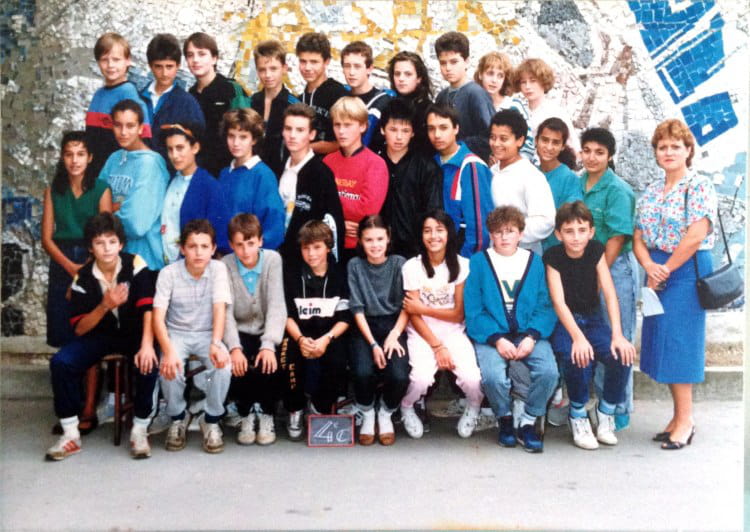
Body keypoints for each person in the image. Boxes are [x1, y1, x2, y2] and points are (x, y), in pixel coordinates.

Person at [45, 213, 159, 460]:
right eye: (99, 242)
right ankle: (70, 434)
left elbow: (148, 308)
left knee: (149, 361)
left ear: (121, 244)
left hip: (134, 333)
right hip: (100, 336)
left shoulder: (135, 264)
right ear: (90, 247)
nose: (107, 248)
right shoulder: (83, 277)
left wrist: (147, 344)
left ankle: (140, 429)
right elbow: (79, 328)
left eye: (112, 241)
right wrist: (105, 305)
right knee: (61, 362)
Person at [632, 119, 717, 450]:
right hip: (656, 269)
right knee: (661, 341)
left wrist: (665, 269)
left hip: (684, 270)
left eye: (675, 147)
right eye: (662, 147)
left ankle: (686, 420)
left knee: (680, 342)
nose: (668, 152)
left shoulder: (698, 186)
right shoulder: (652, 189)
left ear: (688, 150)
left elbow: (696, 235)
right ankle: (676, 417)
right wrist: (649, 266)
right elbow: (638, 236)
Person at [464, 206, 559, 453]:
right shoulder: (480, 262)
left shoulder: (533, 262)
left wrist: (532, 336)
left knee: (549, 372)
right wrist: (496, 339)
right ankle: (504, 417)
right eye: (498, 232)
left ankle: (528, 419)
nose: (504, 237)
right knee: (493, 376)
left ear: (521, 234)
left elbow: (545, 305)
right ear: (490, 235)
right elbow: (474, 309)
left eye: (510, 231)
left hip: (528, 333)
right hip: (492, 335)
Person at [544, 201, 636, 450]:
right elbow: (558, 302)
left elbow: (609, 293)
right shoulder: (553, 257)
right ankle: (577, 414)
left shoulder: (596, 250)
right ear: (558, 234)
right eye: (569, 231)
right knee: (578, 356)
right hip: (566, 322)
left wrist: (618, 334)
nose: (576, 237)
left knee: (622, 354)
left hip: (592, 319)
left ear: (591, 232)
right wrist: (578, 337)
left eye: (582, 230)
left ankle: (606, 412)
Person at [399, 210, 483, 439]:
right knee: (421, 379)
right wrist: (437, 346)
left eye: (439, 230)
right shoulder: (412, 267)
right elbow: (413, 315)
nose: (433, 236)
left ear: (449, 234)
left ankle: (474, 406)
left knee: (472, 378)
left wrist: (423, 308)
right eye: (427, 231)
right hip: (422, 334)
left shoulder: (463, 265)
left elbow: (457, 314)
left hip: (453, 333)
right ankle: (407, 406)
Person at [154, 219, 233, 454]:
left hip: (208, 333)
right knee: (169, 367)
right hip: (177, 333)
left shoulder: (218, 269)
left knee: (223, 365)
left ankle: (211, 419)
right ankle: (178, 417)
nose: (198, 252)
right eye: (192, 246)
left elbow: (220, 309)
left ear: (213, 248)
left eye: (204, 246)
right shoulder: (168, 273)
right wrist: (168, 351)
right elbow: (158, 317)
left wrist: (216, 343)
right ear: (182, 249)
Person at [579, 127, 637, 430]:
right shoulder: (578, 183)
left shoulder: (618, 190)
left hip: (613, 269)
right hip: (584, 269)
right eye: (587, 151)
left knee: (618, 335)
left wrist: (597, 275)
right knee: (594, 333)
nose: (592, 157)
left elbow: (616, 238)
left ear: (610, 156)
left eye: (599, 152)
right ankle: (595, 402)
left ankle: (617, 407)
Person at [222, 214, 287, 446]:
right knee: (240, 361)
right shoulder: (225, 265)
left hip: (266, 328)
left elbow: (277, 305)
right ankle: (246, 411)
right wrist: (234, 347)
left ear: (260, 241)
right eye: (239, 245)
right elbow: (226, 311)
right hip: (239, 329)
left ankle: (267, 412)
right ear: (231, 245)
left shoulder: (272, 260)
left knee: (269, 359)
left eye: (250, 243)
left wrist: (268, 344)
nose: (246, 251)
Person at [42, 131, 112, 348]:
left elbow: (106, 236)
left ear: (90, 157)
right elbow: (46, 239)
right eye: (69, 154)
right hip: (61, 259)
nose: (74, 160)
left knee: (88, 324)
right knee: (61, 324)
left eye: (80, 154)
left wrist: (85, 269)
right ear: (62, 157)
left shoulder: (101, 189)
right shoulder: (53, 191)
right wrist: (71, 268)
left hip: (93, 258)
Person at [283, 220, 351, 440]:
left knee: (338, 360)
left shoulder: (340, 274)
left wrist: (326, 339)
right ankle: (295, 408)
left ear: (328, 247)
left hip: (328, 335)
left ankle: (320, 406)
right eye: (306, 248)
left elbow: (345, 318)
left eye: (317, 247)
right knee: (287, 357)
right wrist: (301, 339)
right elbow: (287, 316)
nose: (311, 254)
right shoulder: (292, 274)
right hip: (298, 334)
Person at [347, 215, 410, 446]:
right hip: (365, 325)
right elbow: (357, 308)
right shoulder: (355, 265)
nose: (375, 245)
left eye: (380, 239)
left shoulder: (399, 264)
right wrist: (374, 344)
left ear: (388, 238)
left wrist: (394, 335)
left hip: (394, 325)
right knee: (362, 372)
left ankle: (385, 412)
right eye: (369, 240)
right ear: (360, 241)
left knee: (399, 375)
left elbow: (407, 305)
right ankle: (367, 411)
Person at [98, 99, 168, 270]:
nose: (123, 132)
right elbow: (94, 203)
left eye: (130, 126)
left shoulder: (150, 164)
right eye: (118, 125)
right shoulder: (114, 159)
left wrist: (109, 209)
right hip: (114, 259)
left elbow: (136, 224)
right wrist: (119, 207)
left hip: (145, 261)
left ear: (141, 128)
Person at [277, 103, 345, 270]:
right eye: (288, 129)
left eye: (300, 130)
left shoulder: (321, 174)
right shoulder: (277, 168)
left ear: (312, 134)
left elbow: (333, 225)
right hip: (278, 257)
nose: (292, 135)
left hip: (307, 264)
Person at [323, 96, 388, 263]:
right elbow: (318, 204)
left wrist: (332, 208)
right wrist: (340, 221)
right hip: (327, 244)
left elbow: (367, 210)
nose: (341, 131)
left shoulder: (375, 164)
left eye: (348, 125)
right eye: (337, 125)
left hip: (359, 249)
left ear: (363, 126)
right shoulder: (327, 161)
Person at [426, 104, 494, 258]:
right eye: (431, 129)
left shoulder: (471, 166)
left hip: (462, 260)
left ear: (456, 128)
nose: (437, 135)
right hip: (437, 257)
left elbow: (480, 229)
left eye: (443, 128)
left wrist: (466, 263)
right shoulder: (431, 163)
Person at [378, 98, 442, 259]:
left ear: (413, 132)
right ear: (382, 130)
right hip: (378, 248)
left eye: (405, 130)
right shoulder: (373, 163)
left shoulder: (426, 167)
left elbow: (433, 211)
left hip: (414, 251)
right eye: (393, 129)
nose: (399, 137)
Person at [489, 109, 555, 256]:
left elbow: (546, 220)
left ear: (519, 140)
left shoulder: (531, 176)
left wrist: (509, 235)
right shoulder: (492, 172)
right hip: (493, 254)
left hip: (523, 255)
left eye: (503, 139)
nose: (496, 143)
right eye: (493, 137)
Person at [184, 32, 250, 177]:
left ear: (214, 58)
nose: (195, 60)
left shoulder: (231, 89)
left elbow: (247, 131)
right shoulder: (189, 96)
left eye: (202, 54)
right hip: (199, 173)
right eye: (190, 55)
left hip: (228, 172)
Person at [160, 123, 229, 263]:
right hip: (168, 265)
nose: (174, 155)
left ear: (195, 148)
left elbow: (219, 235)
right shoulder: (171, 181)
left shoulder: (209, 186)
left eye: (180, 148)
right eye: (170, 149)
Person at [217, 108, 285, 250]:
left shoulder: (263, 175)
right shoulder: (225, 174)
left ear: (254, 139)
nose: (236, 143)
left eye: (243, 137)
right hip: (224, 255)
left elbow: (274, 226)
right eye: (231, 136)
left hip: (250, 256)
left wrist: (252, 254)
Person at [86, 32, 151, 177]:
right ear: (98, 62)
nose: (110, 65)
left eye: (116, 59)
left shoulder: (129, 95)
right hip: (97, 175)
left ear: (128, 61)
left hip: (119, 175)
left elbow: (142, 145)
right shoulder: (98, 95)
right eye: (104, 60)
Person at [140, 33, 205, 172]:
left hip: (171, 175)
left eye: (169, 66)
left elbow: (196, 150)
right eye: (158, 66)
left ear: (178, 66)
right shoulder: (138, 99)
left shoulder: (188, 104)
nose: (164, 73)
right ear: (150, 66)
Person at [433, 31, 495, 162]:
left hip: (471, 164)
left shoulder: (476, 94)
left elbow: (489, 136)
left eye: (454, 62)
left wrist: (455, 146)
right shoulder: (441, 96)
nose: (448, 68)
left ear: (466, 62)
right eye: (443, 63)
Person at [250, 39, 300, 178]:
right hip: (254, 174)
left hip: (282, 176)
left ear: (284, 68)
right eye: (262, 70)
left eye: (273, 69)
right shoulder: (252, 102)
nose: (268, 75)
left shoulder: (294, 106)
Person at [295, 32, 349, 155]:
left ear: (326, 61)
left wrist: (306, 148)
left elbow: (343, 141)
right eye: (303, 61)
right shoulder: (298, 99)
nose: (307, 68)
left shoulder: (339, 95)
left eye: (314, 62)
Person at [474, 51, 534, 161]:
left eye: (500, 76)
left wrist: (508, 161)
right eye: (490, 73)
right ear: (480, 75)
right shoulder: (475, 104)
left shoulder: (513, 105)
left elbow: (528, 145)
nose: (494, 80)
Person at [535, 117, 582, 251]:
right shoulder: (531, 173)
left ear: (562, 146)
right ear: (536, 140)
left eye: (555, 142)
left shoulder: (569, 179)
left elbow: (570, 218)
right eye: (545, 140)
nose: (549, 147)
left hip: (556, 251)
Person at [514, 58, 579, 154]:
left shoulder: (556, 112)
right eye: (523, 82)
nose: (527, 86)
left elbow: (574, 148)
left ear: (543, 81)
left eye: (533, 81)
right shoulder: (518, 110)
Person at [341, 41, 393, 152]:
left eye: (357, 66)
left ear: (369, 69)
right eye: (347, 66)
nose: (351, 72)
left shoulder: (383, 102)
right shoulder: (340, 98)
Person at [387, 51, 434, 156]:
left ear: (419, 78)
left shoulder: (428, 110)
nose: (401, 79)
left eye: (408, 74)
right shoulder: (387, 104)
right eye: (397, 74)